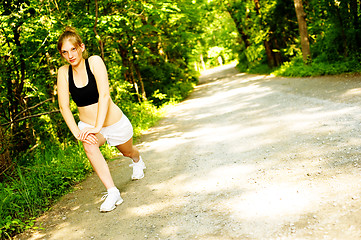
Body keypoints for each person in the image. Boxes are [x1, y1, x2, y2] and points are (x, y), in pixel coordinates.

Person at [56, 27, 146, 212]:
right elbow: (64, 106)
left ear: (81, 47)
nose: (70, 55)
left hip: (113, 123)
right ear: (61, 54)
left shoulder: (94, 62)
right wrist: (78, 133)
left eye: (73, 49)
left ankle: (137, 160)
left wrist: (98, 126)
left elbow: (104, 95)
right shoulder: (63, 73)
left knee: (128, 152)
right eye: (65, 52)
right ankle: (113, 192)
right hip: (89, 125)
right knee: (89, 145)